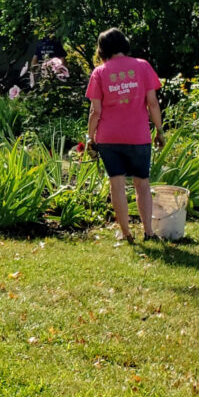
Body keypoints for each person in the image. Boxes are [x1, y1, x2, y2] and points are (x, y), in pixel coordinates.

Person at [85, 27, 165, 243]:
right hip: (138, 136)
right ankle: (148, 231)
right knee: (142, 183)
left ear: (102, 49)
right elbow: (152, 103)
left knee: (116, 184)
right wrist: (159, 130)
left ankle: (126, 233)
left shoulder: (100, 73)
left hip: (109, 138)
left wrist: (90, 137)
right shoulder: (142, 66)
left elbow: (95, 111)